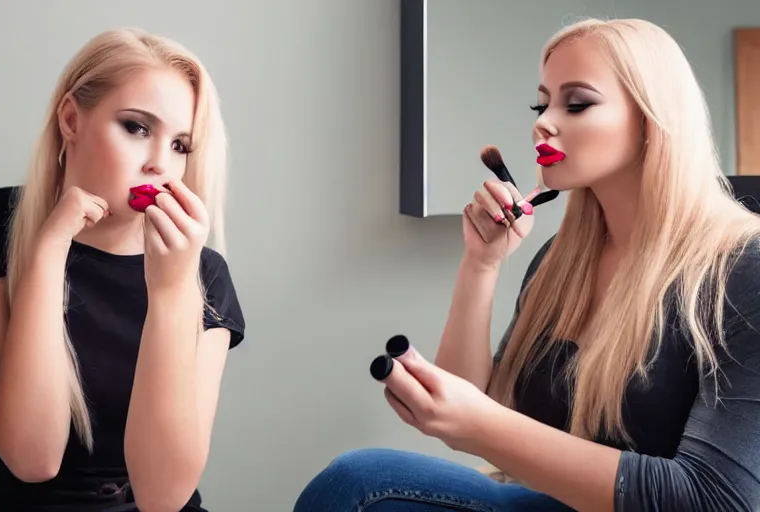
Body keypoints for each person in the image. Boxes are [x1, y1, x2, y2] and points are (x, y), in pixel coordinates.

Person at [293, 17, 760, 512]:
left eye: (576, 103)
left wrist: (481, 425)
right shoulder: (562, 262)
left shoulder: (744, 269)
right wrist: (481, 266)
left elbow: (720, 500)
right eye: (543, 103)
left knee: (360, 485)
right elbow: (478, 411)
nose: (544, 121)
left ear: (651, 120)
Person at [0, 28, 245, 511]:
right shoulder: (2, 225)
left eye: (180, 146)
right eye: (137, 128)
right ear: (71, 119)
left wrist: (171, 290)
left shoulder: (205, 274)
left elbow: (163, 497)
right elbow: (30, 458)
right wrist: (49, 249)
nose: (159, 165)